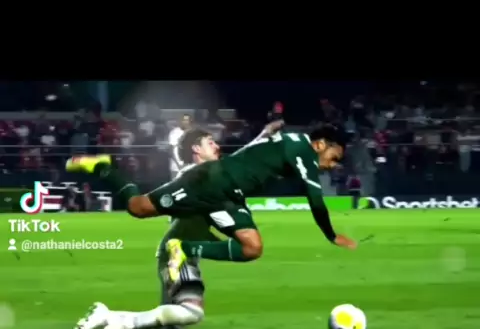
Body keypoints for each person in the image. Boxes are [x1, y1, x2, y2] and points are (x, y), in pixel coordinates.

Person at [66, 121, 357, 284]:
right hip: (211, 182)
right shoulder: (303, 150)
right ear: (320, 144)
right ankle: (105, 167)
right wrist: (331, 235)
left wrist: (263, 134)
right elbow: (314, 198)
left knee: (252, 248)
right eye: (334, 158)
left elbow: (253, 152)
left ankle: (184, 248)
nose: (332, 165)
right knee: (138, 208)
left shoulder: (291, 142)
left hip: (230, 193)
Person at [73, 120, 285, 329]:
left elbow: (234, 163)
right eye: (210, 142)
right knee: (191, 313)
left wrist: (262, 135)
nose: (217, 146)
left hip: (179, 253)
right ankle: (113, 317)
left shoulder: (209, 176)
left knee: (169, 325)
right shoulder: (194, 179)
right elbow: (141, 206)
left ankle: (117, 319)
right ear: (196, 149)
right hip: (176, 255)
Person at [168, 113, 193, 178]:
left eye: (187, 120)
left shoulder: (193, 132)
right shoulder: (174, 132)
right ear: (180, 121)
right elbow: (170, 150)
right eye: (184, 120)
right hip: (176, 168)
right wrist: (179, 165)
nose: (186, 122)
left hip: (190, 167)